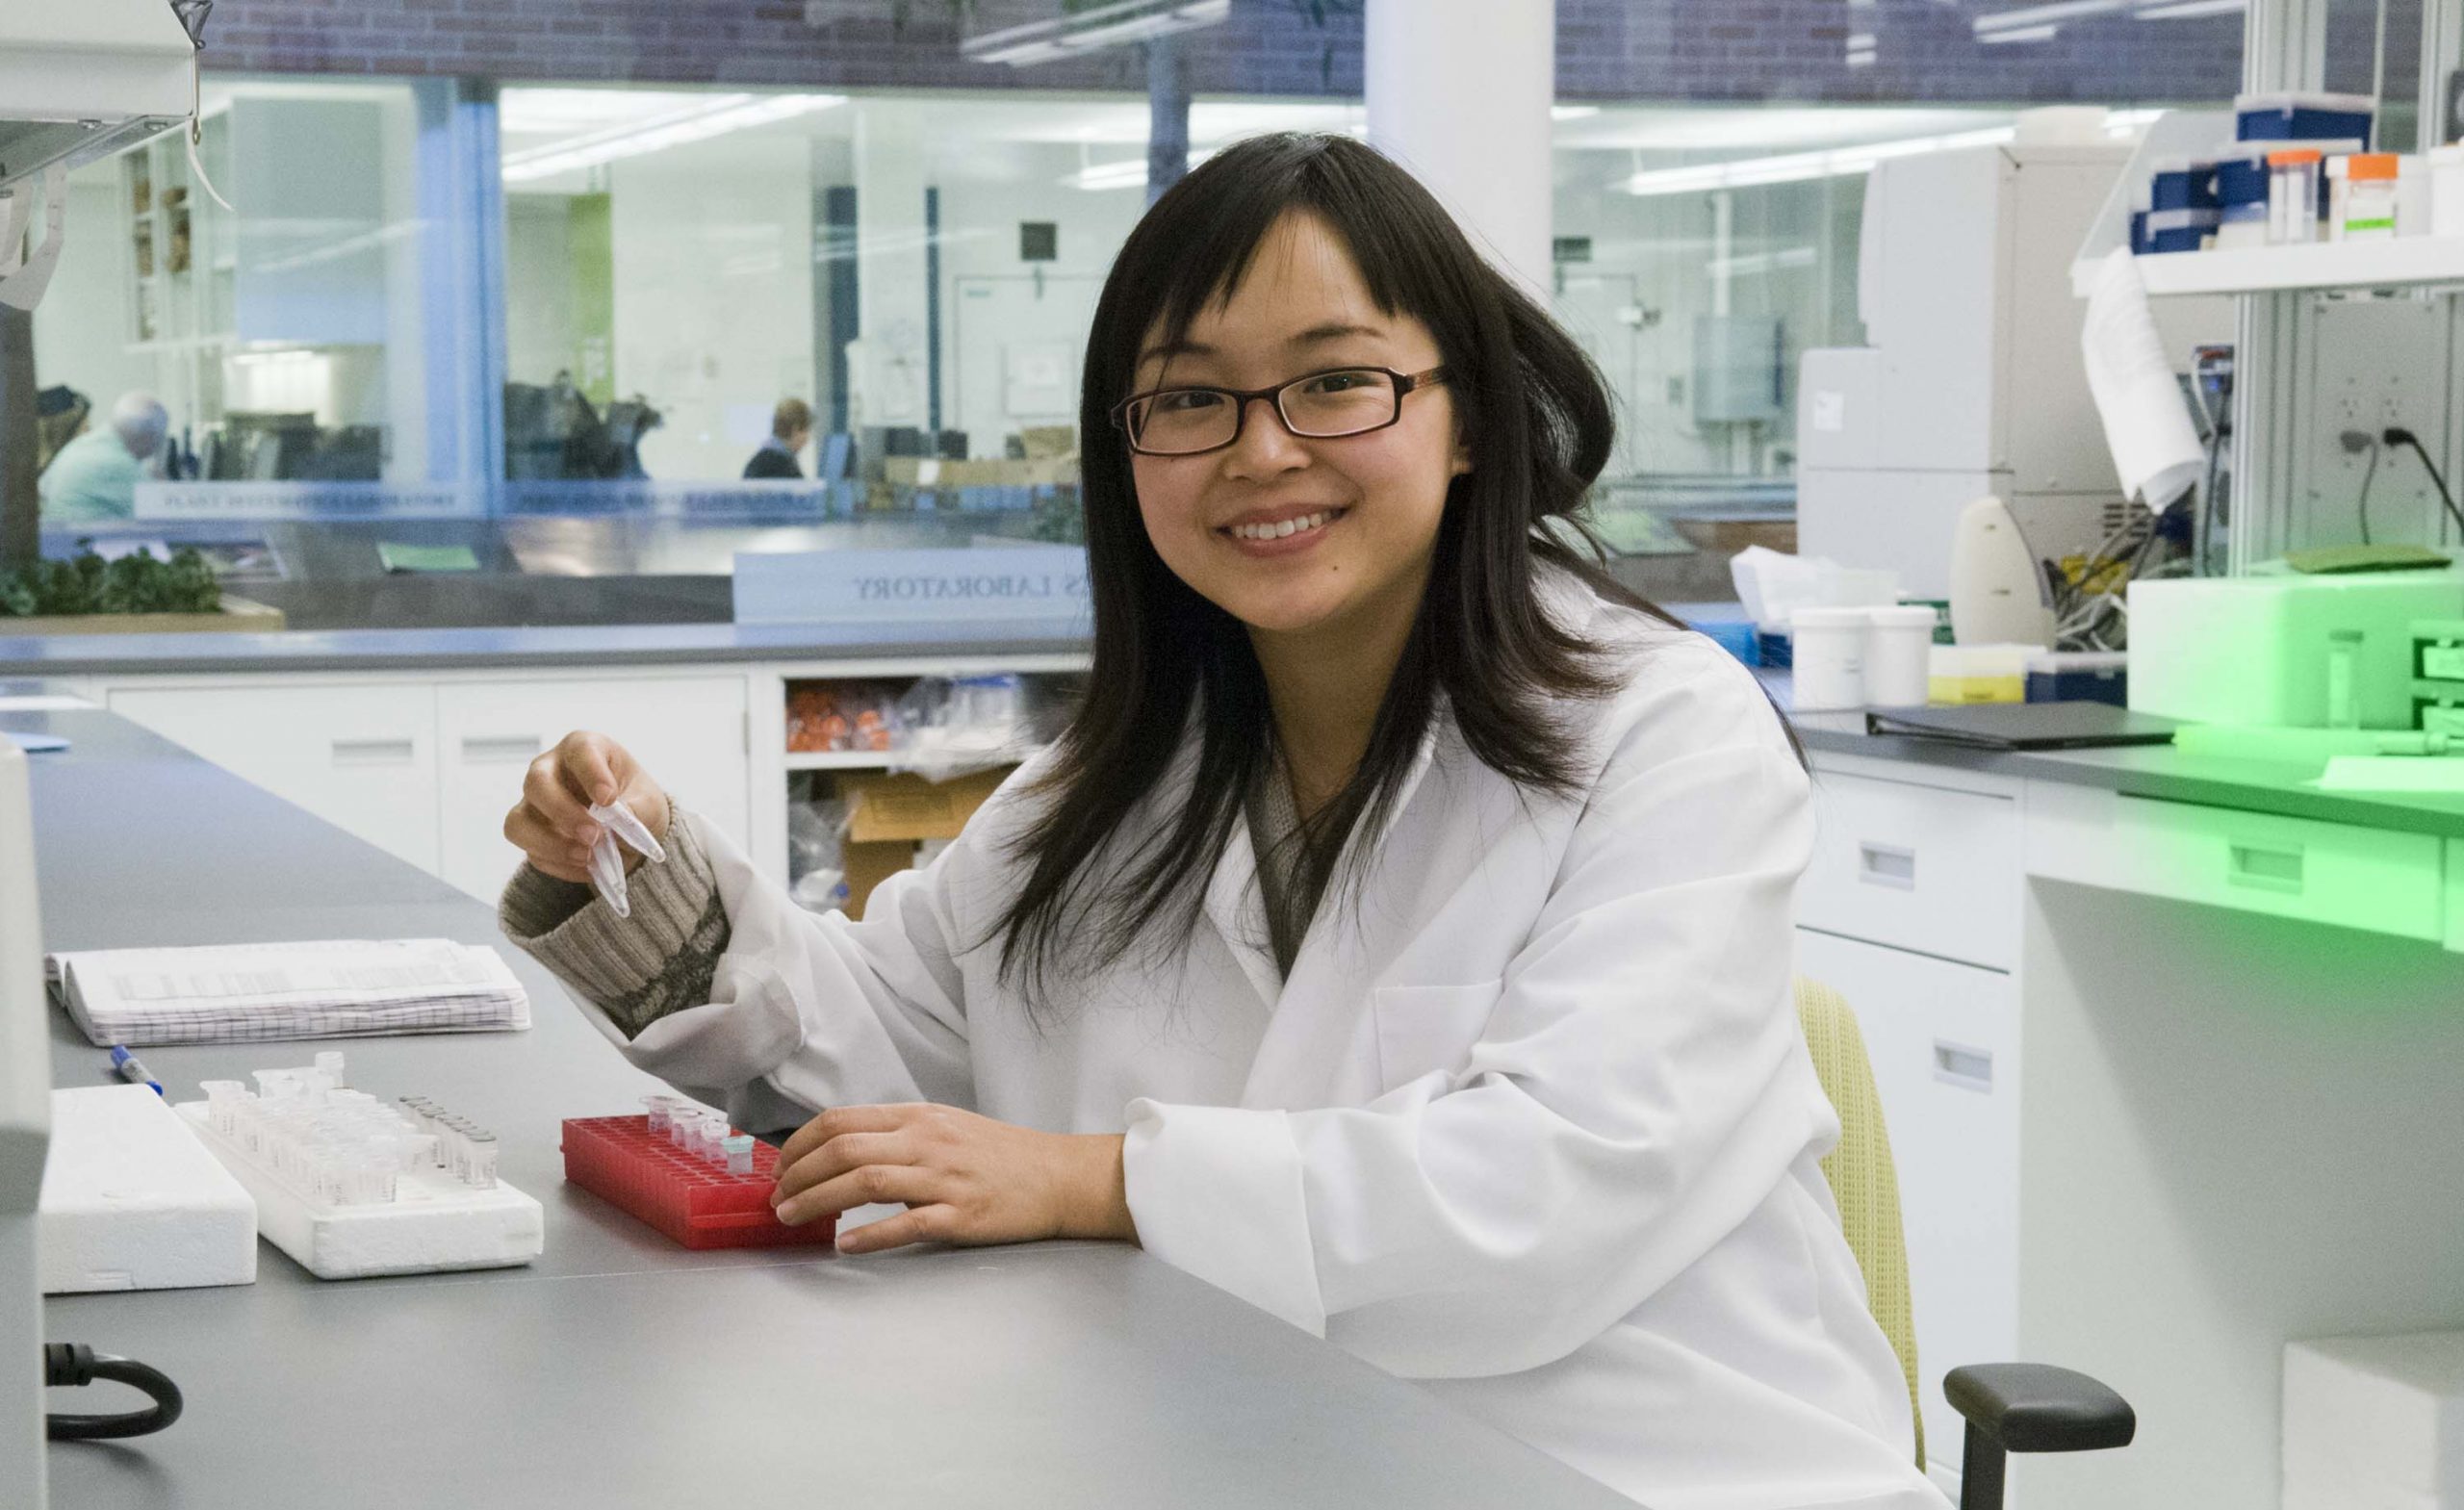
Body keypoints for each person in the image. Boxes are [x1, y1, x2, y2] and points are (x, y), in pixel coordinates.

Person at [500, 133, 1946, 1510]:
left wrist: (1096, 1180)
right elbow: (885, 1038)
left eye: (1335, 384)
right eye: (1190, 399)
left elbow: (1552, 1193)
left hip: (1648, 1463)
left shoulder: (1658, 732)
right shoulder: (1129, 780)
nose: (1260, 453)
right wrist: (639, 865)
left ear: (1464, 419)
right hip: (1239, 1444)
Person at [38, 392, 168, 523]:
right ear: (148, 437)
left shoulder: (79, 446)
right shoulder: (119, 465)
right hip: (81, 539)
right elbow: (164, 519)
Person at [741, 397, 812, 478]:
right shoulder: (782, 466)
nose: (807, 439)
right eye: (806, 430)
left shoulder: (759, 460)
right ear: (795, 429)